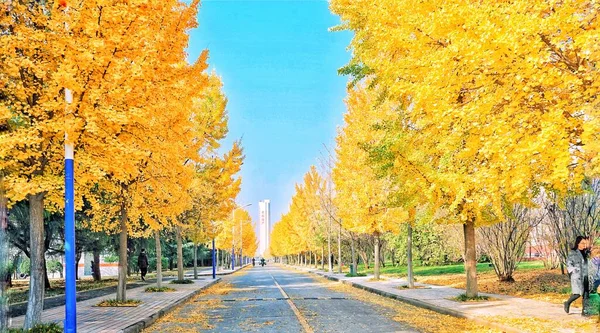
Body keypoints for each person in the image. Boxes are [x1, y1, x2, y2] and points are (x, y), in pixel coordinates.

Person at [564, 236, 590, 314]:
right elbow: (568, 263)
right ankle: (567, 303)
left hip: (586, 275)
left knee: (586, 293)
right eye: (582, 243)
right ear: (578, 243)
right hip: (577, 276)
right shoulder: (573, 252)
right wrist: (573, 270)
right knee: (577, 294)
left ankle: (584, 311)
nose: (584, 245)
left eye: (585, 243)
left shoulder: (586, 253)